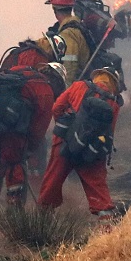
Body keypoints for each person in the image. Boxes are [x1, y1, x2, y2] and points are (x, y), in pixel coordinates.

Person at [0, 62, 67, 218]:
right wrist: (30, 147)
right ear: (57, 80)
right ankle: (14, 210)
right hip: (14, 133)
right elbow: (39, 128)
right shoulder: (46, 91)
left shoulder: (18, 70)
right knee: (15, 166)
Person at [37, 66, 121, 226]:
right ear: (113, 83)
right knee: (98, 191)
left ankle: (41, 225)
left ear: (98, 76)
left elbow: (56, 108)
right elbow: (110, 132)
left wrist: (67, 130)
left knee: (51, 183)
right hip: (91, 152)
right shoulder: (114, 103)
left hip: (64, 145)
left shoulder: (79, 86)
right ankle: (109, 233)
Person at [45, 0, 93, 85]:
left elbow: (69, 68)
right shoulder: (77, 27)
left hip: (76, 86)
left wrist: (65, 94)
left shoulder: (67, 34)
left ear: (55, 10)